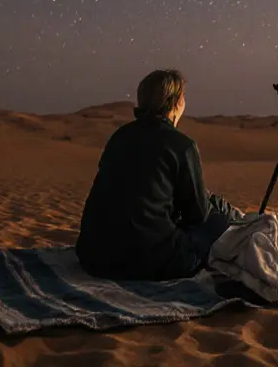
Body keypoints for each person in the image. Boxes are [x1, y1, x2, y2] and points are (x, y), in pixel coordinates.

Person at [75, 69, 243, 280]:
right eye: (183, 97)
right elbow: (197, 215)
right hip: (148, 261)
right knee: (217, 224)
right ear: (175, 103)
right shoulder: (182, 146)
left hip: (93, 257)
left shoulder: (120, 136)